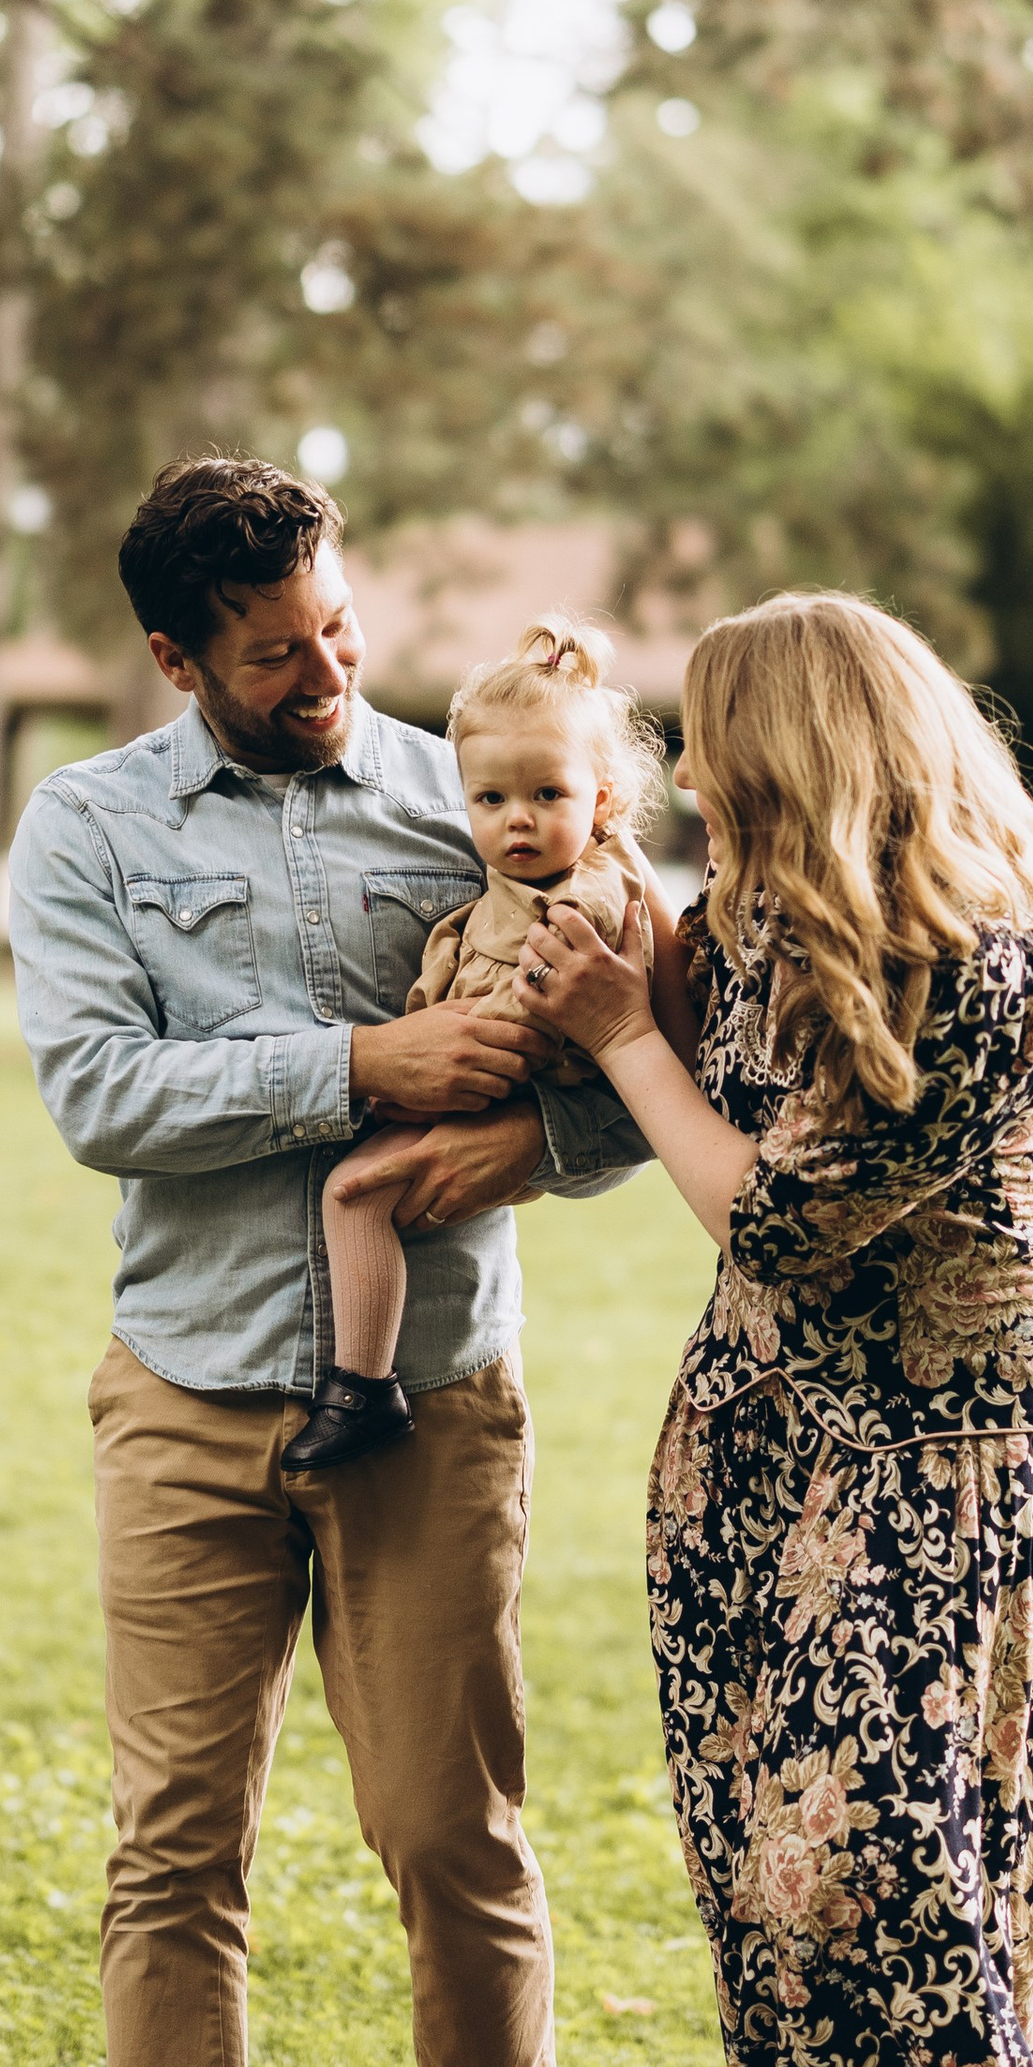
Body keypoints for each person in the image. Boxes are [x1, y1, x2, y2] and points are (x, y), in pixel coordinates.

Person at [4, 456, 644, 2067]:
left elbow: (639, 1068)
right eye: (276, 652)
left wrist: (522, 1142)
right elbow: (99, 1092)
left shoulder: (475, 794)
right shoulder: (87, 826)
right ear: (175, 654)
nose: (328, 671)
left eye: (338, 627)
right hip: (186, 1397)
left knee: (444, 1829)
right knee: (171, 1853)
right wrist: (363, 1067)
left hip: (428, 1407)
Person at [522, 588, 1033, 2067]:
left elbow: (775, 1220)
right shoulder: (754, 923)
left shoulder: (979, 958)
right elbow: (641, 1089)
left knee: (867, 1886)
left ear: (802, 748)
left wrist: (626, 1034)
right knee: (753, 1901)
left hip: (938, 1460)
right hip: (754, 1448)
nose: (693, 784)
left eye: (714, 749)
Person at [287, 612, 666, 1474]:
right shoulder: (516, 884)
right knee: (358, 1188)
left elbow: (524, 1024)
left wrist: (408, 1082)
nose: (517, 821)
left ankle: (363, 1385)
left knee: (352, 1192)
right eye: (490, 800)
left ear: (603, 800)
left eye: (547, 796)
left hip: (501, 1097)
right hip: (474, 1089)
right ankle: (362, 1379)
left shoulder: (584, 902)